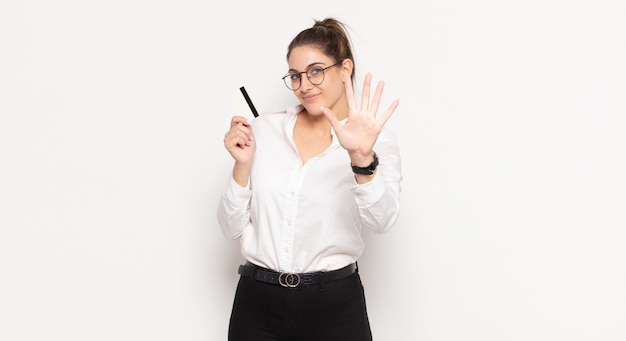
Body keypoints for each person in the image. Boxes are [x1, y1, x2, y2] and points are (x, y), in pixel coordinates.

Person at [217, 17, 402, 341]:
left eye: (316, 70)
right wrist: (242, 166)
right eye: (295, 75)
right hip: (257, 302)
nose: (305, 85)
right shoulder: (264, 130)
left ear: (345, 69)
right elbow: (230, 227)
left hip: (334, 305)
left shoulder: (376, 141)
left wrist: (360, 160)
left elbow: (382, 221)